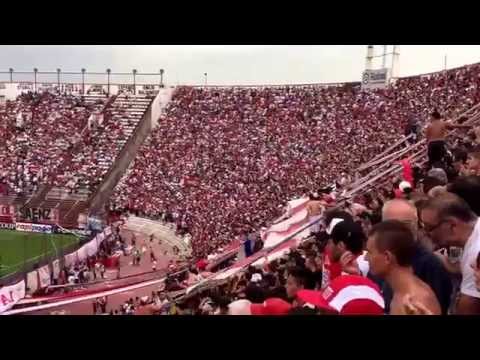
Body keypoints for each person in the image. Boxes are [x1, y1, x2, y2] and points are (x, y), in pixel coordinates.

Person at [379, 199, 452, 314]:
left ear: (417, 224)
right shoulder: (379, 259)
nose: (400, 231)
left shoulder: (430, 265)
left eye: (406, 224)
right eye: (393, 226)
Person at [420, 193, 480, 314]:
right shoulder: (474, 236)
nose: (426, 234)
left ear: (452, 225)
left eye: (429, 228)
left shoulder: (476, 252)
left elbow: (467, 310)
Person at [365, 220, 441, 315]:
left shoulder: (418, 302)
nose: (365, 258)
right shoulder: (399, 291)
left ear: (387, 257)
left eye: (369, 252)